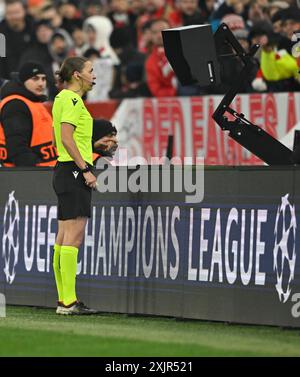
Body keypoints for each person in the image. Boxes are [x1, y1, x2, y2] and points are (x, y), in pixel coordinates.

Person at [52, 56, 103, 315]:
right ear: (76, 75)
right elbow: (66, 138)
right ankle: (69, 302)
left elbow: (66, 139)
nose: (94, 75)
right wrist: (85, 169)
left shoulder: (62, 98)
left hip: (63, 169)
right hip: (73, 170)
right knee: (74, 236)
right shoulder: (72, 100)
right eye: (90, 71)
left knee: (63, 237)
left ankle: (64, 299)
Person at [0, 61, 57, 167]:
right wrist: (34, 173)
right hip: (30, 175)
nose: (41, 83)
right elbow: (17, 147)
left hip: (46, 170)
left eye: (43, 79)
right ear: (23, 81)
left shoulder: (33, 101)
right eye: (35, 78)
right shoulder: (15, 105)